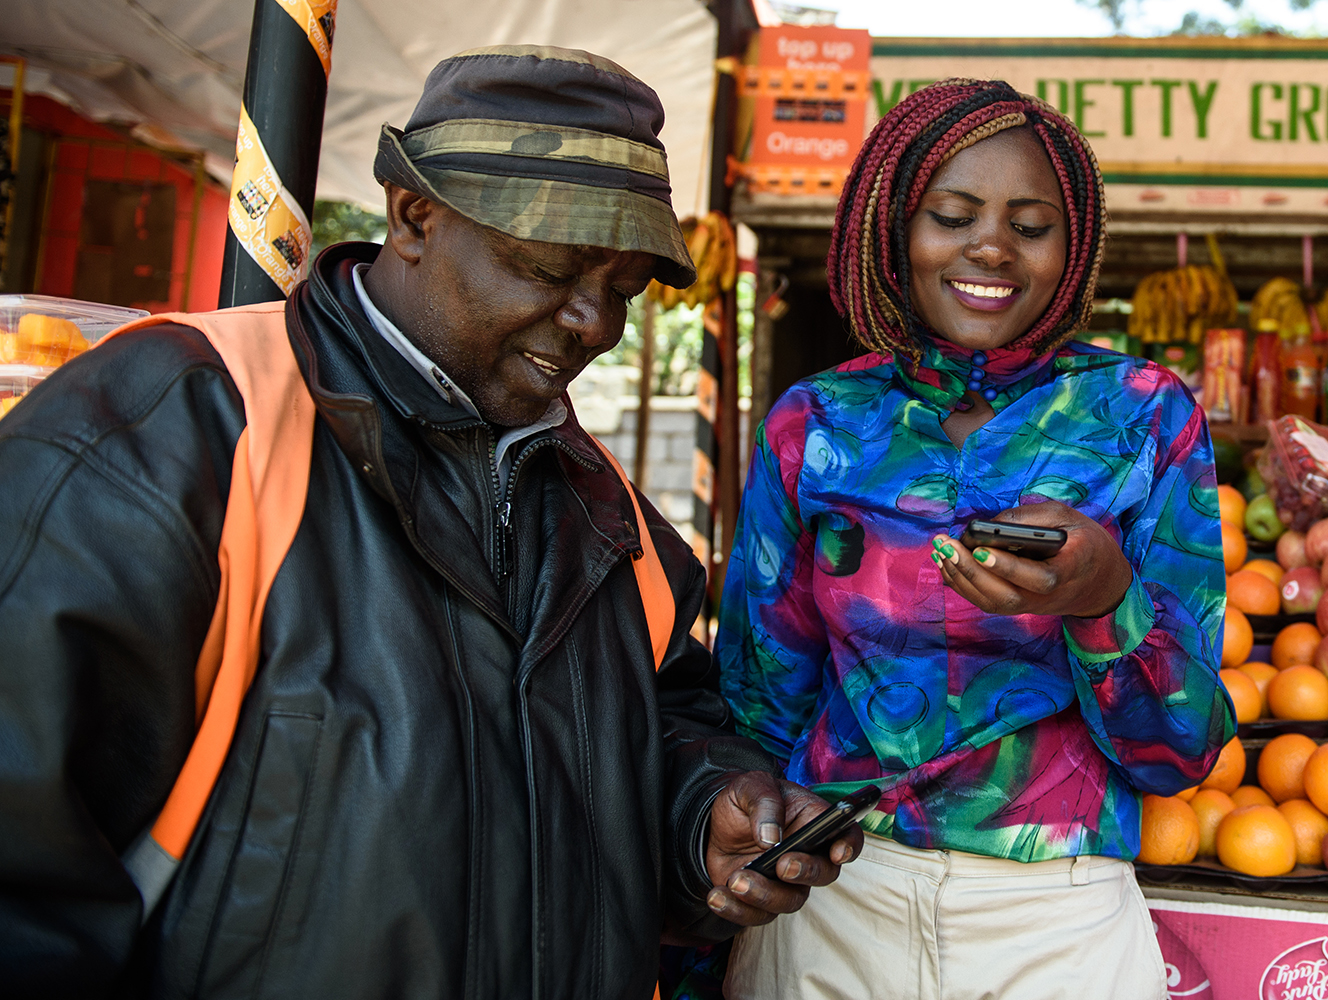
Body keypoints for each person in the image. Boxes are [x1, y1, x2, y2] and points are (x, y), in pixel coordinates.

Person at [0, 46, 856, 999]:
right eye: (547, 266)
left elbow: (654, 735)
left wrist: (706, 817)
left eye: (622, 287)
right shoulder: (175, 425)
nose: (592, 321)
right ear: (413, 216)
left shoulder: (619, 522)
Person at [717, 79, 1233, 1000]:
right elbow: (758, 700)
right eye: (951, 215)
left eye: (1030, 226)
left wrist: (1104, 599)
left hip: (1059, 912)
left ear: (1072, 251)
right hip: (836, 894)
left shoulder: (1141, 414)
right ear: (891, 229)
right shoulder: (817, 424)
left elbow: (1181, 751)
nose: (990, 246)